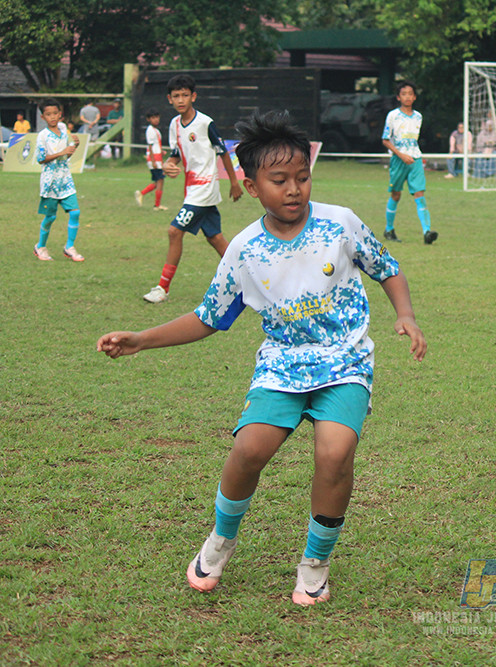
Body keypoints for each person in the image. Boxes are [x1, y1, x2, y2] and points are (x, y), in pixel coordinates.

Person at [96, 110, 428, 607]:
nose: (294, 189)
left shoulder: (340, 223)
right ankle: (221, 540)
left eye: (302, 177)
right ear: (251, 187)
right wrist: (142, 338)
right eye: (279, 180)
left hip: (345, 360)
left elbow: (388, 268)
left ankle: (315, 563)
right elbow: (209, 317)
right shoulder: (245, 250)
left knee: (335, 453)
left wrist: (406, 314)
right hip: (282, 364)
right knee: (250, 449)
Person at [142, 74, 243, 304]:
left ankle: (162, 288)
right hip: (192, 190)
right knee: (215, 238)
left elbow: (222, 151)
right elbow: (176, 154)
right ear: (169, 99)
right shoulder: (175, 125)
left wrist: (234, 183)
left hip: (204, 188)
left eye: (185, 95)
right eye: (176, 96)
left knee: (174, 232)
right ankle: (246, 280)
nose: (180, 100)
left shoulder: (205, 123)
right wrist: (169, 165)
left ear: (193, 96)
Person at [382, 81, 437, 245]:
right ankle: (389, 229)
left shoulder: (418, 116)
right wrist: (400, 155)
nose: (407, 96)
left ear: (414, 97)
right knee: (396, 194)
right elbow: (385, 140)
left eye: (410, 94)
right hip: (399, 160)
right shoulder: (393, 115)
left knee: (419, 193)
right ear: (399, 97)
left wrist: (412, 156)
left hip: (415, 159)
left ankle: (427, 231)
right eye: (404, 94)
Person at [32, 98, 84, 262]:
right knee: (50, 217)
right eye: (48, 114)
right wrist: (62, 152)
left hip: (65, 180)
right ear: (43, 117)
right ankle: (40, 246)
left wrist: (74, 146)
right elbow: (41, 159)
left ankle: (69, 247)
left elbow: (66, 156)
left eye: (55, 113)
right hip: (50, 182)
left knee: (75, 212)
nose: (52, 117)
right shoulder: (43, 136)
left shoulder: (64, 134)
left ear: (60, 115)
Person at [134, 109, 168, 210]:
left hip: (158, 158)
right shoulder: (150, 131)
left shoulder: (155, 130)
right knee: (160, 181)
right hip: (155, 160)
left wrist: (161, 151)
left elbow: (155, 146)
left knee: (158, 182)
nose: (156, 119)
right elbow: (150, 146)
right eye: (153, 118)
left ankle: (142, 194)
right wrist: (153, 161)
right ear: (148, 119)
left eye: (157, 117)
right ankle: (156, 205)